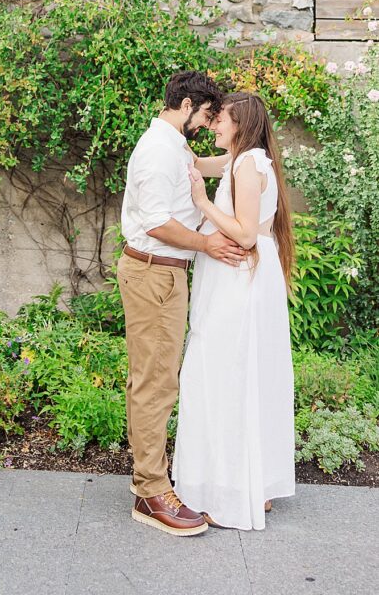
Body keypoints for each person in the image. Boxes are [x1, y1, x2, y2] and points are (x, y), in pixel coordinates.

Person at [118, 71, 248, 536]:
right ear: (187, 104)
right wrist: (206, 244)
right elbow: (155, 222)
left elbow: (210, 166)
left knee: (154, 379)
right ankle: (152, 493)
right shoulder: (157, 150)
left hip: (164, 274)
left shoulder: (172, 145)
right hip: (154, 271)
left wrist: (247, 154)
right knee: (155, 383)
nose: (206, 125)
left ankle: (150, 481)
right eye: (206, 116)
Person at [172, 91, 296, 531]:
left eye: (220, 119)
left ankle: (226, 490)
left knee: (223, 375)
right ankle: (251, 485)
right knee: (245, 376)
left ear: (240, 124)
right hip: (246, 281)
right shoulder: (245, 160)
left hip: (239, 282)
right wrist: (175, 133)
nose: (214, 126)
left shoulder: (246, 165)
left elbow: (244, 234)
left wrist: (202, 204)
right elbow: (199, 162)